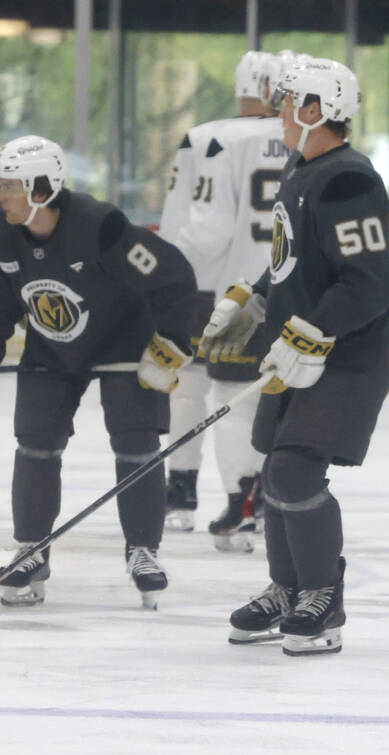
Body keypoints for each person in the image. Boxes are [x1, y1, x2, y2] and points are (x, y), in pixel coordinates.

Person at [0, 135, 197, 608]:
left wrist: (170, 346)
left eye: (8, 184)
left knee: (135, 439)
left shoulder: (102, 227)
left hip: (123, 342)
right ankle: (31, 550)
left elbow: (173, 277)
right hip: (52, 349)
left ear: (39, 189)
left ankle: (143, 550)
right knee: (35, 440)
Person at [200, 57, 389, 656]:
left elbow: (369, 283)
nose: (278, 111)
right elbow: (298, 260)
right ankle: (287, 589)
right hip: (302, 349)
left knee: (294, 469)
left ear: (318, 111)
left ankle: (322, 597)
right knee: (273, 468)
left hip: (349, 356)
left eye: (289, 103)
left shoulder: (348, 180)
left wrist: (312, 330)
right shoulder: (303, 166)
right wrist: (258, 298)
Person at [160, 49, 296, 551]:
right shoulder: (309, 140)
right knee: (265, 400)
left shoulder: (209, 137)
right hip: (288, 294)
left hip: (226, 293)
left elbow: (200, 227)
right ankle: (263, 500)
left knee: (197, 391)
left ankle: (186, 491)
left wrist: (166, 276)